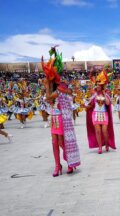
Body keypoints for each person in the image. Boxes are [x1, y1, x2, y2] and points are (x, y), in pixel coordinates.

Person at [42, 46, 81, 177]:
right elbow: (48, 101)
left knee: (61, 142)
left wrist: (47, 86)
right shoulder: (53, 88)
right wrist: (47, 87)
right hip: (54, 118)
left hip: (61, 119)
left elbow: (50, 97)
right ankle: (57, 165)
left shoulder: (61, 87)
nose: (47, 78)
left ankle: (70, 161)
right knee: (54, 142)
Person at [86, 69, 116, 154]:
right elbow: (90, 104)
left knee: (104, 131)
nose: (97, 86)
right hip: (95, 114)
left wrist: (104, 93)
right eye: (97, 85)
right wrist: (85, 106)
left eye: (99, 85)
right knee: (98, 132)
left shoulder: (106, 94)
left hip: (104, 114)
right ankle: (100, 147)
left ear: (102, 86)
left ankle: (107, 144)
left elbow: (107, 103)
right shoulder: (94, 94)